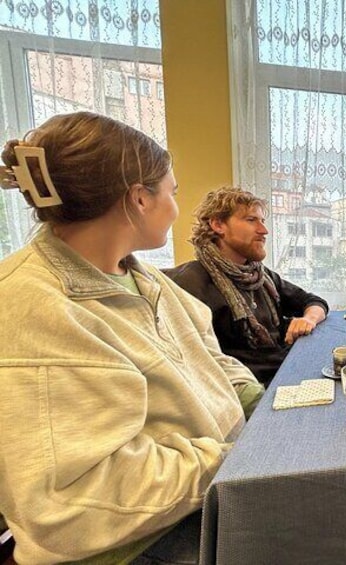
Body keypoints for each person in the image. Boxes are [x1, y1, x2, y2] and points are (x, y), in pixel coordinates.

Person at [0, 112, 264, 563]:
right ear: (139, 199)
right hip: (134, 543)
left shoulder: (144, 279)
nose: (177, 208)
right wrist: (237, 459)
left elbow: (211, 360)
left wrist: (268, 413)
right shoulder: (31, 306)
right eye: (172, 193)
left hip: (202, 494)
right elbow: (72, 502)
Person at [167, 187, 328, 385]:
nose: (264, 230)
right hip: (253, 391)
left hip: (285, 369)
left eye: (262, 221)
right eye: (251, 220)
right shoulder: (191, 284)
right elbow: (194, 366)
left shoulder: (260, 275)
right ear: (218, 224)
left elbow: (314, 301)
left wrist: (309, 320)